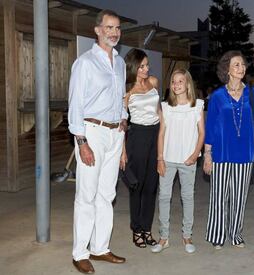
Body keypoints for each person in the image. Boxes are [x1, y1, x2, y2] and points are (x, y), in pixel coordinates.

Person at [68, 9, 127, 274]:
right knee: (87, 195)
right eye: (109, 27)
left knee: (107, 194)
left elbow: (120, 98)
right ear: (97, 30)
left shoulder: (121, 62)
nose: (114, 32)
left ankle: (100, 247)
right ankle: (80, 253)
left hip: (116, 134)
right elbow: (75, 105)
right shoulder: (85, 63)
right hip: (91, 133)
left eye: (117, 28)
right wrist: (81, 141)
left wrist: (124, 120)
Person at [203, 50, 254, 249]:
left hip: (245, 154)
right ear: (227, 68)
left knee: (239, 198)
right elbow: (210, 127)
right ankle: (217, 236)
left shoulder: (252, 94)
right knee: (219, 197)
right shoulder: (217, 96)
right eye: (236, 64)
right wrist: (207, 155)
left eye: (243, 64)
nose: (241, 68)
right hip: (221, 153)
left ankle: (235, 234)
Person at [151, 69, 205, 254]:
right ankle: (164, 237)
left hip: (188, 161)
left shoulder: (197, 106)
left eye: (180, 81)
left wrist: (195, 154)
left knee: (187, 197)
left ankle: (187, 236)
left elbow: (202, 133)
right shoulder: (166, 107)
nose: (176, 85)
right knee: (164, 198)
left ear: (188, 84)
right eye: (174, 82)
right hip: (167, 159)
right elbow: (161, 134)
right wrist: (160, 158)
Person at [121, 48, 160, 248]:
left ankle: (147, 228)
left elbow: (159, 113)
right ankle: (136, 229)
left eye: (147, 65)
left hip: (155, 135)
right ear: (133, 67)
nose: (146, 69)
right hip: (137, 137)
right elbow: (122, 126)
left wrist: (162, 144)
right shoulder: (127, 93)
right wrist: (123, 152)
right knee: (137, 186)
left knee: (151, 187)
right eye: (142, 66)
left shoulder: (154, 83)